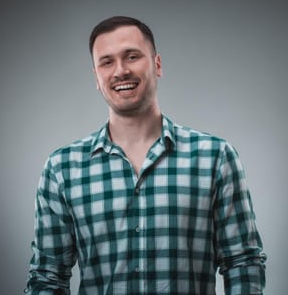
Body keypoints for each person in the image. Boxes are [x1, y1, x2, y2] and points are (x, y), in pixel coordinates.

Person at [25, 16, 267, 294]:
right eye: (107, 62)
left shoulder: (215, 157)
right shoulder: (62, 169)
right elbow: (47, 277)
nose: (120, 71)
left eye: (132, 56)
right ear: (96, 77)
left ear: (157, 65)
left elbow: (243, 262)